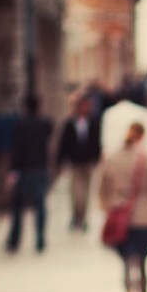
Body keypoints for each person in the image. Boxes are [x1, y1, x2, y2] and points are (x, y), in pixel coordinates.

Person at [98, 123, 147, 292]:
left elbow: (103, 191)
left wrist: (113, 203)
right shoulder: (145, 159)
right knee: (142, 264)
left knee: (126, 265)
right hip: (143, 219)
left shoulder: (111, 159)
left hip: (120, 219)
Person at [6, 96, 53, 253]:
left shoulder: (20, 125)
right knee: (40, 206)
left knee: (18, 207)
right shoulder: (44, 124)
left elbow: (17, 150)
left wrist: (13, 171)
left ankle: (14, 240)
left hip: (24, 170)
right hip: (40, 169)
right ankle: (40, 238)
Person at [57, 94, 102, 231]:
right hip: (75, 162)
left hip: (88, 161)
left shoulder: (93, 123)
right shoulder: (70, 123)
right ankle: (76, 216)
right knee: (76, 192)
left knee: (87, 191)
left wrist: (97, 159)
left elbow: (97, 142)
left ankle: (83, 218)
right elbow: (64, 143)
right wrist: (61, 160)